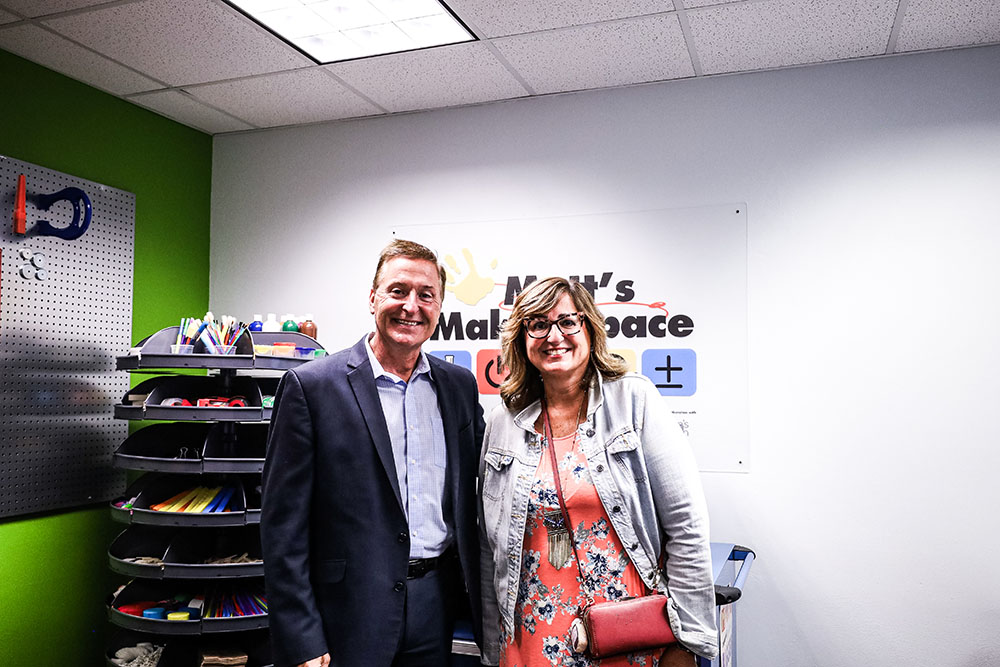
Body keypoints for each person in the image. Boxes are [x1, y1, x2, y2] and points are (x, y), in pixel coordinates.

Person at [262, 239, 485, 667]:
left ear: (439, 307)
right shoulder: (311, 388)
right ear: (372, 298)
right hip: (346, 613)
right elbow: (281, 528)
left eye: (426, 295)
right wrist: (302, 637)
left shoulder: (458, 387)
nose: (411, 307)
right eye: (398, 291)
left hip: (435, 605)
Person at [479, 277, 718, 666]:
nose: (554, 335)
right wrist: (495, 647)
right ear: (522, 338)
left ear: (588, 328)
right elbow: (489, 546)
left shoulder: (634, 401)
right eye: (537, 324)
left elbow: (686, 527)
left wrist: (685, 642)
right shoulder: (503, 421)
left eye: (567, 322)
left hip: (626, 636)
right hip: (531, 638)